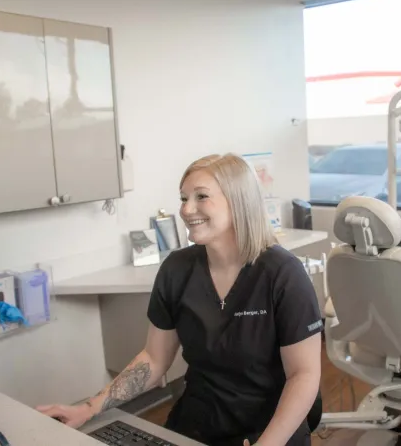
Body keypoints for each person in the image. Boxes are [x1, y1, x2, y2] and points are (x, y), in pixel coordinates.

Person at [37, 153, 323, 446]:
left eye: (201, 197)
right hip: (198, 423)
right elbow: (154, 359)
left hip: (270, 429)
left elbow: (304, 374)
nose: (187, 209)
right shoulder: (177, 269)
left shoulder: (282, 273)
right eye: (184, 198)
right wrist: (87, 409)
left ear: (239, 201)